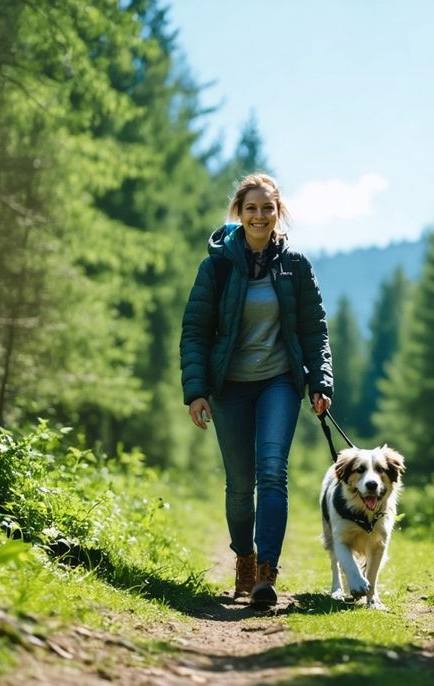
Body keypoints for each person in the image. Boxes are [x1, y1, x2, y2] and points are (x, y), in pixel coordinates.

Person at [179, 172, 333, 607]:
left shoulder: (295, 266)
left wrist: (321, 382)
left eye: (267, 208)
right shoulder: (218, 267)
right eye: (251, 209)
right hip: (230, 386)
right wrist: (196, 391)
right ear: (239, 214)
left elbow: (315, 330)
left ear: (277, 211)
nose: (259, 216)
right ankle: (243, 560)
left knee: (272, 472)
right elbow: (195, 331)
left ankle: (267, 573)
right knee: (239, 483)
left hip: (279, 382)